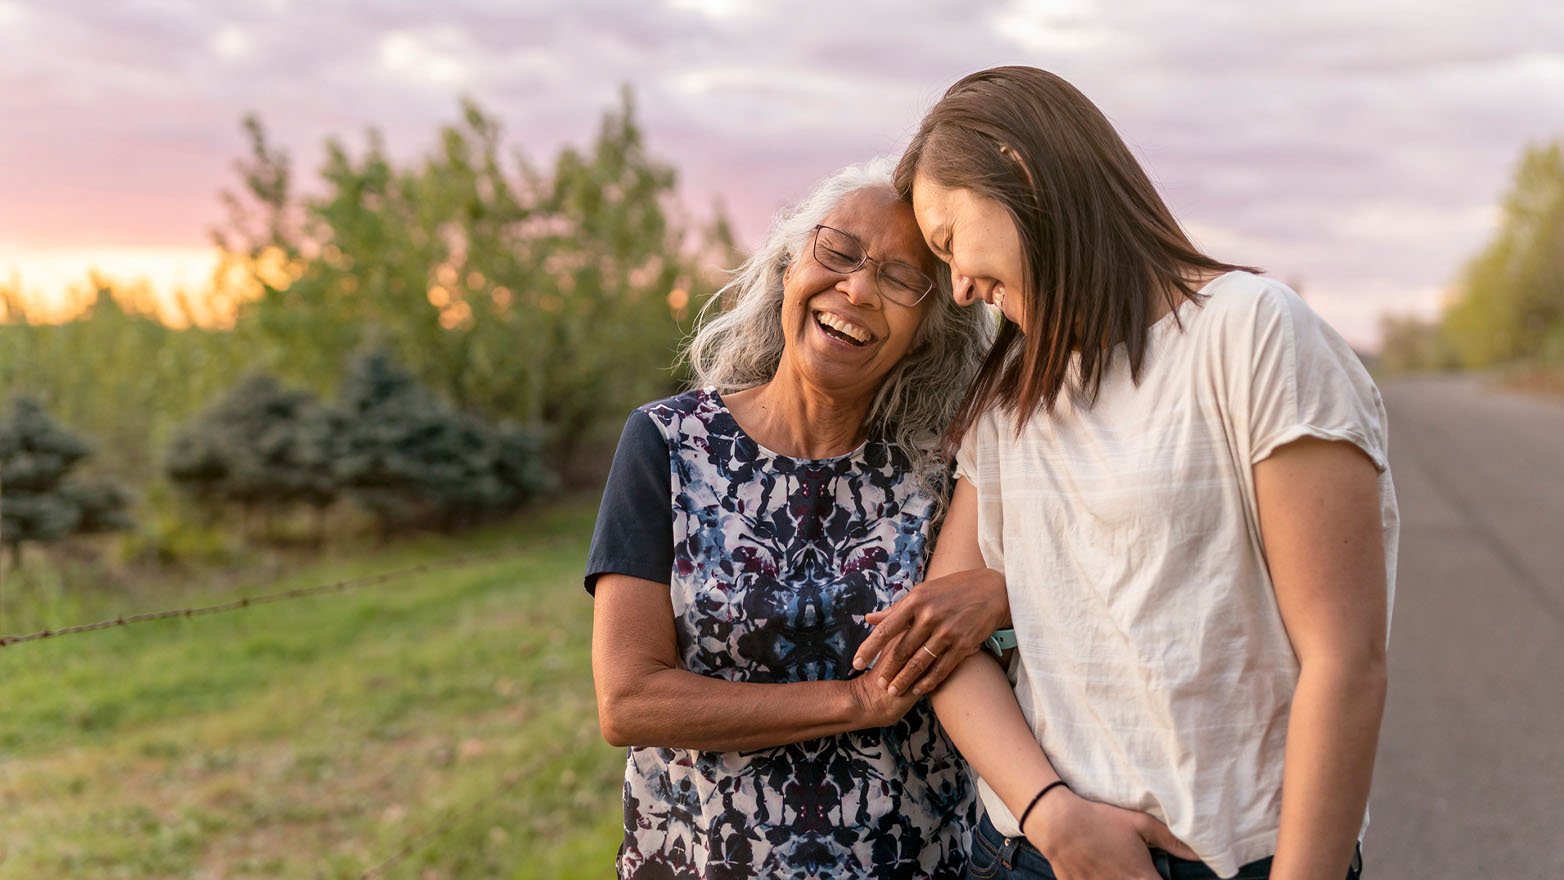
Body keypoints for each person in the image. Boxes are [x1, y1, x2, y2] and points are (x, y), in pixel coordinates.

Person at [860, 66, 1399, 880]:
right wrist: (1053, 815)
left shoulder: (1252, 336)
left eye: (948, 242)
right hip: (1029, 853)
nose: (961, 287)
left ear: (1020, 169)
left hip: (1234, 860)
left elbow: (1344, 661)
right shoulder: (1012, 395)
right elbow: (945, 649)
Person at [585, 157, 997, 878]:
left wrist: (1001, 593)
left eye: (901, 281)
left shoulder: (953, 469)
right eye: (837, 252)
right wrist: (855, 701)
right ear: (787, 267)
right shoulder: (668, 444)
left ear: (930, 331)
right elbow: (630, 699)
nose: (858, 289)